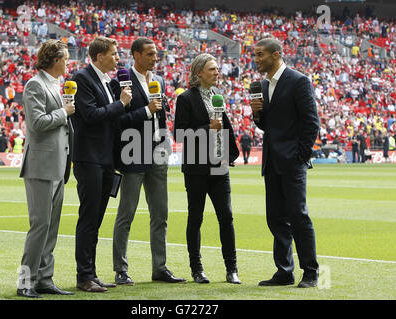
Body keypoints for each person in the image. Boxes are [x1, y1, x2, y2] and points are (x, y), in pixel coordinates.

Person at [110, 37, 186, 286]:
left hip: (157, 152)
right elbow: (117, 120)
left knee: (160, 214)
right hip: (133, 152)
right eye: (150, 54)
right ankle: (120, 269)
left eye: (156, 54)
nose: (155, 58)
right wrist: (146, 111)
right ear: (136, 55)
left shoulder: (159, 80)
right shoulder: (120, 81)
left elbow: (160, 116)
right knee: (126, 214)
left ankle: (159, 268)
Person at [250, 38, 320, 288]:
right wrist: (257, 113)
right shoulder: (262, 85)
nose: (256, 59)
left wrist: (300, 156)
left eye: (260, 55)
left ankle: (310, 272)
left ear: (276, 55)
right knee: (275, 218)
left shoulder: (298, 80)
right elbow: (266, 125)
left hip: (292, 162)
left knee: (298, 216)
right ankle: (284, 271)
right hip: (272, 161)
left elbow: (312, 123)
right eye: (255, 55)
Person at [71, 36, 132, 293]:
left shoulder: (108, 81)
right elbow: (91, 115)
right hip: (89, 158)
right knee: (88, 217)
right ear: (99, 57)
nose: (118, 58)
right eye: (114, 54)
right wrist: (121, 104)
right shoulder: (82, 78)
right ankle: (84, 275)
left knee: (96, 219)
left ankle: (92, 273)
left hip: (105, 159)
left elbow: (113, 119)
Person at [174, 53, 241, 284]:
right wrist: (208, 128)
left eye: (217, 69)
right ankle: (197, 269)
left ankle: (232, 269)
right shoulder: (185, 99)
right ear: (199, 72)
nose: (217, 72)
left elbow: (226, 129)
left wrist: (230, 155)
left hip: (218, 165)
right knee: (196, 218)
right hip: (196, 168)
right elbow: (179, 133)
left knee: (227, 217)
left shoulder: (216, 96)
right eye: (212, 69)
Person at [17, 39, 75, 298]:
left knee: (51, 227)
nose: (68, 62)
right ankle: (24, 282)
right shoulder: (34, 84)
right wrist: (64, 112)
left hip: (57, 165)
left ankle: (44, 279)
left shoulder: (54, 84)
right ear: (54, 60)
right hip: (40, 166)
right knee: (40, 225)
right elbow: (37, 122)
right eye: (65, 58)